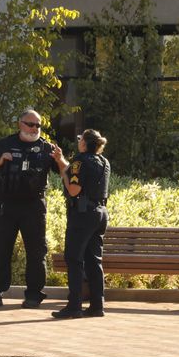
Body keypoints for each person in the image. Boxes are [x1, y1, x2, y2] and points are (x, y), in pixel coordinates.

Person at [0, 109, 63, 309]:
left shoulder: (46, 148)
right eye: (30, 124)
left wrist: (60, 159)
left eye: (38, 125)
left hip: (34, 206)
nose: (34, 129)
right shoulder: (5, 144)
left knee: (36, 251)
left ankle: (34, 295)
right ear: (20, 124)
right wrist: (0, 161)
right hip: (6, 205)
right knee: (0, 249)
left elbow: (65, 172)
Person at [51, 129, 110, 319]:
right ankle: (97, 305)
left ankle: (74, 306)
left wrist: (64, 176)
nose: (78, 142)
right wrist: (62, 162)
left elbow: (74, 189)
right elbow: (77, 171)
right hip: (100, 213)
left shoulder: (79, 161)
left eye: (80, 139)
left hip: (82, 214)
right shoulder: (103, 162)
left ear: (84, 143)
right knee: (94, 260)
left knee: (74, 258)